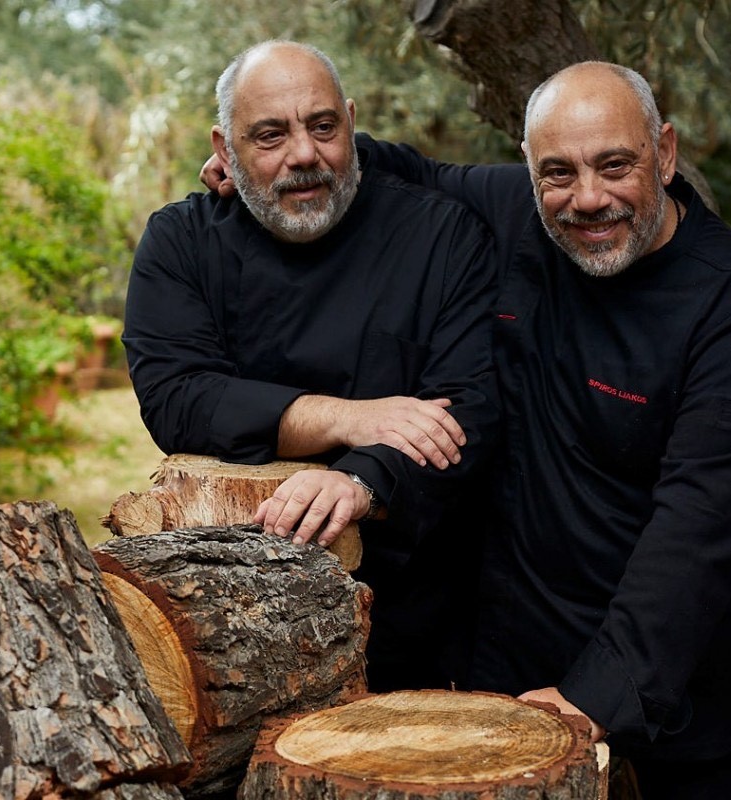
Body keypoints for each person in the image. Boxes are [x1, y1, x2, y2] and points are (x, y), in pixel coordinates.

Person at [205, 61, 731, 798]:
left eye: (615, 165)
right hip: (519, 675)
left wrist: (601, 692)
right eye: (557, 172)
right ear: (528, 170)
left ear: (664, 152)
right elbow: (405, 169)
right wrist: (265, 158)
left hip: (689, 696)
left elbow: (701, 527)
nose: (587, 198)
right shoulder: (517, 213)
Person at [123, 40, 500, 692]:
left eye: (323, 127)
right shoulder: (181, 242)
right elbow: (176, 397)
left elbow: (469, 406)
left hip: (417, 618)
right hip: (222, 614)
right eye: (269, 136)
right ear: (225, 146)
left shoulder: (441, 236)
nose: (304, 154)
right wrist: (349, 420)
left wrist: (362, 480)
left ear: (351, 122)